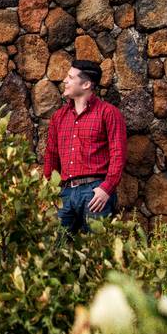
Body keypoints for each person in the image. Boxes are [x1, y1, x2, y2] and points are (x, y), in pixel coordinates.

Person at [43, 61, 127, 235]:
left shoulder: (108, 113)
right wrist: (50, 190)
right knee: (54, 251)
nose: (65, 80)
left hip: (94, 192)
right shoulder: (59, 117)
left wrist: (106, 188)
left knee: (98, 252)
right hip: (64, 193)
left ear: (86, 84)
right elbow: (51, 155)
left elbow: (118, 154)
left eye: (70, 77)